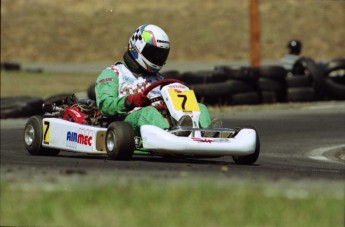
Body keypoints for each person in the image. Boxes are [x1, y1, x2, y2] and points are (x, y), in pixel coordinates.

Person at [95, 24, 220, 137]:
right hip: (126, 123)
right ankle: (171, 135)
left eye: (161, 55)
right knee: (148, 112)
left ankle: (206, 134)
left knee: (200, 107)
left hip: (163, 118)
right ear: (137, 47)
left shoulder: (160, 79)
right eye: (153, 53)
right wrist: (129, 101)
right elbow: (105, 106)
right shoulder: (114, 73)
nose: (157, 58)